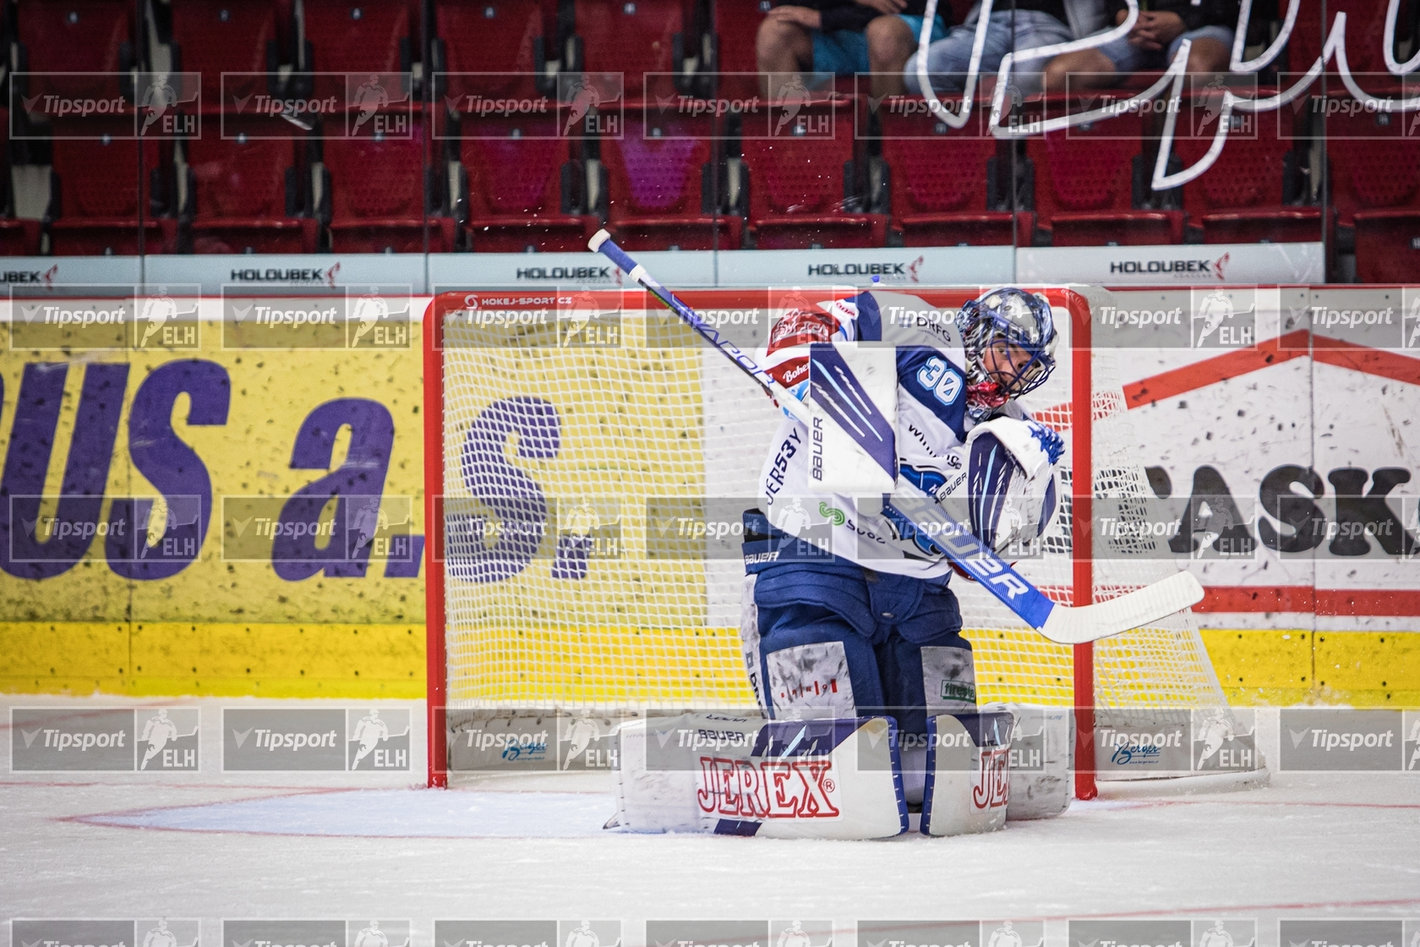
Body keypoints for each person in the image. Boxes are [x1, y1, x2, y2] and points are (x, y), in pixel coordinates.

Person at [739, 287, 1063, 803]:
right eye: (1006, 351)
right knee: (839, 767)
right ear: (978, 332)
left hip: (915, 595)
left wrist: (1024, 494)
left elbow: (979, 562)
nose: (1010, 374)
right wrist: (806, 366)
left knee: (938, 771)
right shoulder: (914, 327)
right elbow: (806, 321)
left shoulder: (1011, 434)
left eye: (1025, 366)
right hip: (817, 554)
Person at [903, 0, 1108, 96]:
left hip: (1049, 24)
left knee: (1027, 76)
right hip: (988, 24)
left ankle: (1020, 161)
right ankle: (975, 155)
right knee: (922, 70)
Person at [757, 0, 952, 98]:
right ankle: (788, 154)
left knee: (885, 34)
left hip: (909, 29)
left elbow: (897, 4)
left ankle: (889, 154)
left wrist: (826, 17)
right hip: (841, 32)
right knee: (774, 32)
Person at [1041, 0, 1239, 93]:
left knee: (1196, 69)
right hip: (1134, 29)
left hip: (1203, 26)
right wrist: (1122, 15)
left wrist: (1184, 19)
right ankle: (1116, 160)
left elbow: (1243, 9)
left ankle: (1169, 158)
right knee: (1060, 75)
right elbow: (1113, 6)